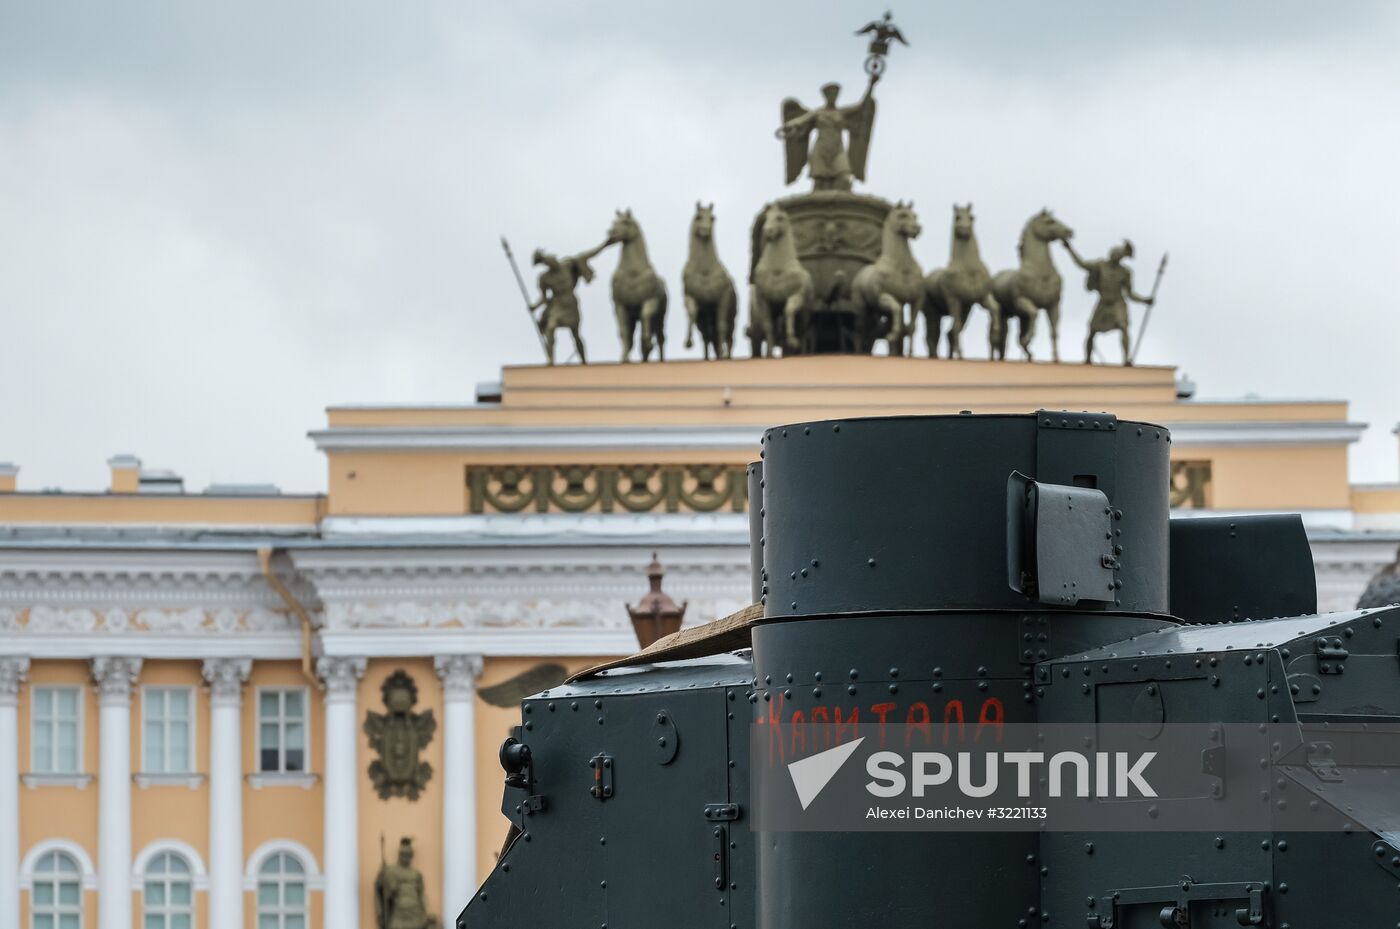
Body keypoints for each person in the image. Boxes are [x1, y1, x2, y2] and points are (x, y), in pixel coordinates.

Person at [1064, 239, 1154, 365]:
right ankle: (1088, 359)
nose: (1116, 255)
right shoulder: (1100, 265)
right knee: (1092, 331)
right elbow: (1082, 264)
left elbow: (1130, 293)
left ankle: (1126, 359)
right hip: (1103, 303)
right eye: (1116, 253)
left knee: (1123, 327)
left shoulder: (1125, 272)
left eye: (1120, 254)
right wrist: (1069, 248)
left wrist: (1144, 300)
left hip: (1118, 303)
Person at [530, 241, 608, 364]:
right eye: (545, 261)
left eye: (551, 258)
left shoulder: (568, 265)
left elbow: (588, 255)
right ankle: (551, 360)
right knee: (550, 328)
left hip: (571, 304)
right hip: (557, 305)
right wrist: (535, 306)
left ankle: (583, 361)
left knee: (575, 334)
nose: (551, 261)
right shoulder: (544, 278)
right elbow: (544, 298)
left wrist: (605, 245)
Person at [374, 837, 438, 929]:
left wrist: (429, 912)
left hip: (415, 915)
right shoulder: (391, 871)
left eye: (408, 855)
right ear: (399, 855)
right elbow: (381, 888)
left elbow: (422, 895)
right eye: (403, 854)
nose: (405, 858)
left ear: (411, 856)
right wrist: (382, 875)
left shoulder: (416, 874)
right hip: (398, 915)